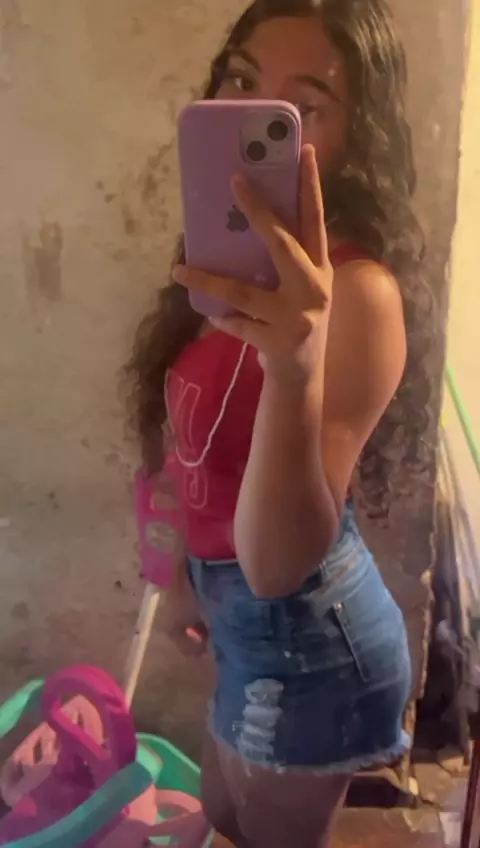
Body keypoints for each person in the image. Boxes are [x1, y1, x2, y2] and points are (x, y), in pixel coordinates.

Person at [126, 1, 432, 845]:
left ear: (354, 138)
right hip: (236, 615)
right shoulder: (226, 260)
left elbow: (276, 567)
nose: (253, 111)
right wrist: (179, 574)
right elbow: (194, 446)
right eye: (241, 80)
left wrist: (295, 364)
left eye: (303, 107)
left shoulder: (357, 294)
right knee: (225, 817)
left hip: (312, 643)